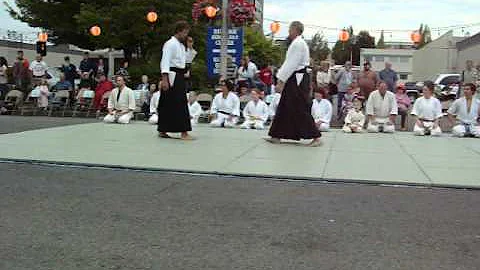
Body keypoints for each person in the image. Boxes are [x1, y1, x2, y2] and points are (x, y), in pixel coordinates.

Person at [265, 21, 322, 147]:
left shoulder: (298, 44)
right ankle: (276, 134)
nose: (289, 32)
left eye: (290, 29)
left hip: (298, 77)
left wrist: (281, 80)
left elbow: (291, 63)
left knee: (299, 105)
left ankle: (315, 136)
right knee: (285, 105)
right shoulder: (298, 43)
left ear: (296, 30)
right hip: (295, 76)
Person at [158, 21, 193, 140]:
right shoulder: (170, 44)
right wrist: (164, 79)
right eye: (185, 32)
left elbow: (186, 62)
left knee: (175, 103)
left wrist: (189, 48)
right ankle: (182, 131)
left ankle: (164, 129)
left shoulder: (182, 46)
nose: (186, 35)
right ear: (179, 31)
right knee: (175, 103)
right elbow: (165, 61)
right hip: (171, 76)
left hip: (179, 75)